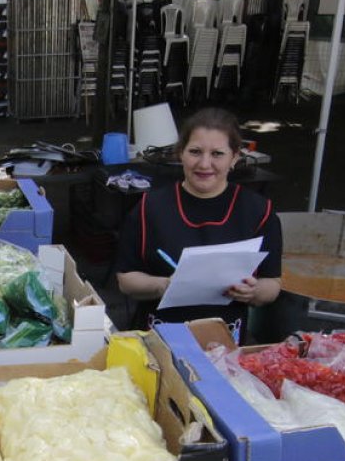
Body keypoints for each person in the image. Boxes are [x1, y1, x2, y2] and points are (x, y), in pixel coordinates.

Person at [115, 107, 282, 341]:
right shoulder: (149, 208)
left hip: (226, 343)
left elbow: (272, 284)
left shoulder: (258, 211)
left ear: (234, 157)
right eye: (195, 152)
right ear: (180, 153)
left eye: (217, 154)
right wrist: (164, 285)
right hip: (158, 338)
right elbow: (126, 280)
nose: (204, 164)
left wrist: (253, 292)